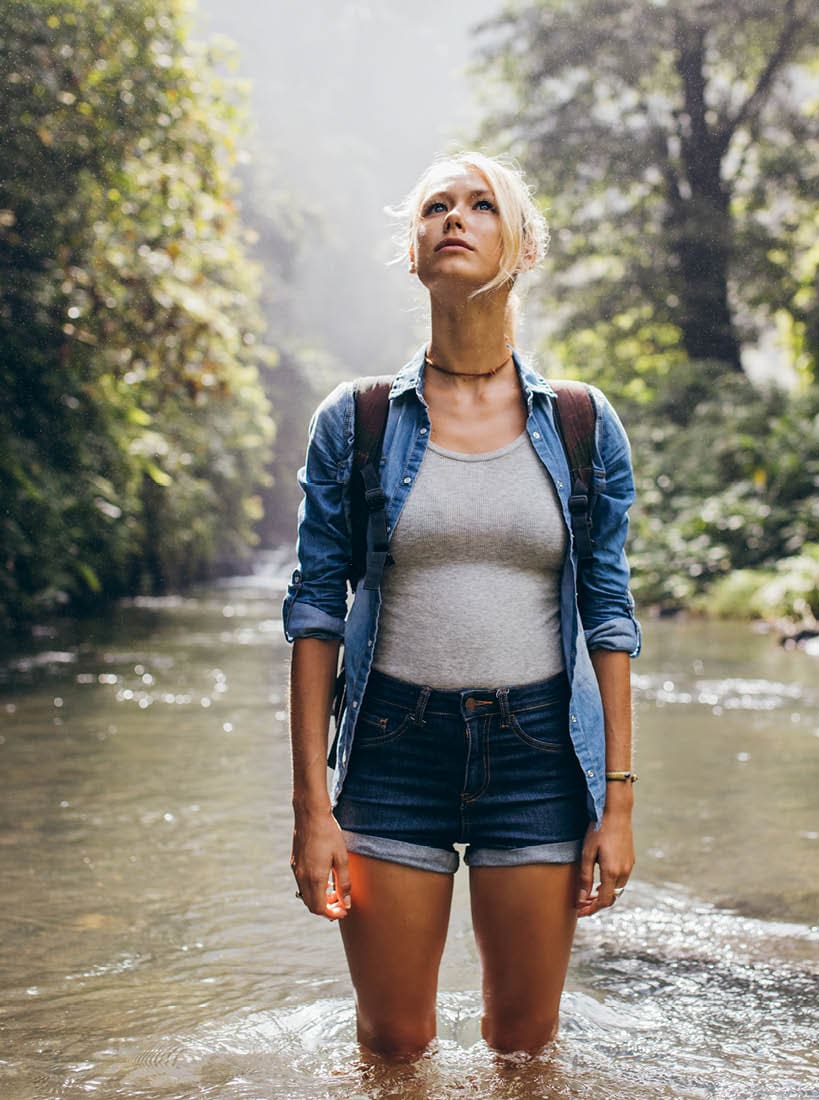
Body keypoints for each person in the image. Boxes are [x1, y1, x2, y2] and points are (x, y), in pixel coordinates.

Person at [284, 151, 641, 1060]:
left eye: (481, 206)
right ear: (412, 252)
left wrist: (620, 803)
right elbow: (315, 609)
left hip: (539, 756)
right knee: (394, 1044)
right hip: (392, 751)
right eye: (436, 207)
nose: (455, 217)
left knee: (524, 1048)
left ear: (519, 248)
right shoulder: (357, 420)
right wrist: (311, 808)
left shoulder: (580, 423)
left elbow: (608, 609)